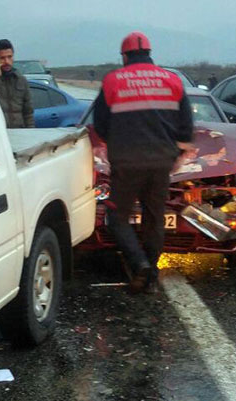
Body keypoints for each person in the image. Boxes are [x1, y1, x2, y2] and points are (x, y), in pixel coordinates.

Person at [93, 32, 193, 294]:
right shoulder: (172, 80)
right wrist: (179, 148)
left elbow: (100, 123)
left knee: (117, 217)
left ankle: (139, 264)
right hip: (161, 162)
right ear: (149, 53)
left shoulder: (113, 81)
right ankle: (151, 270)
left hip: (126, 162)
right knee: (154, 218)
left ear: (124, 56)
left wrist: (113, 140)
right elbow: (186, 123)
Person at [0, 39, 34, 128]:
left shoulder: (20, 80)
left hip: (19, 132)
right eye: (2, 58)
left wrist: (31, 131)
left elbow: (28, 112)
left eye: (9, 57)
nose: (7, 61)